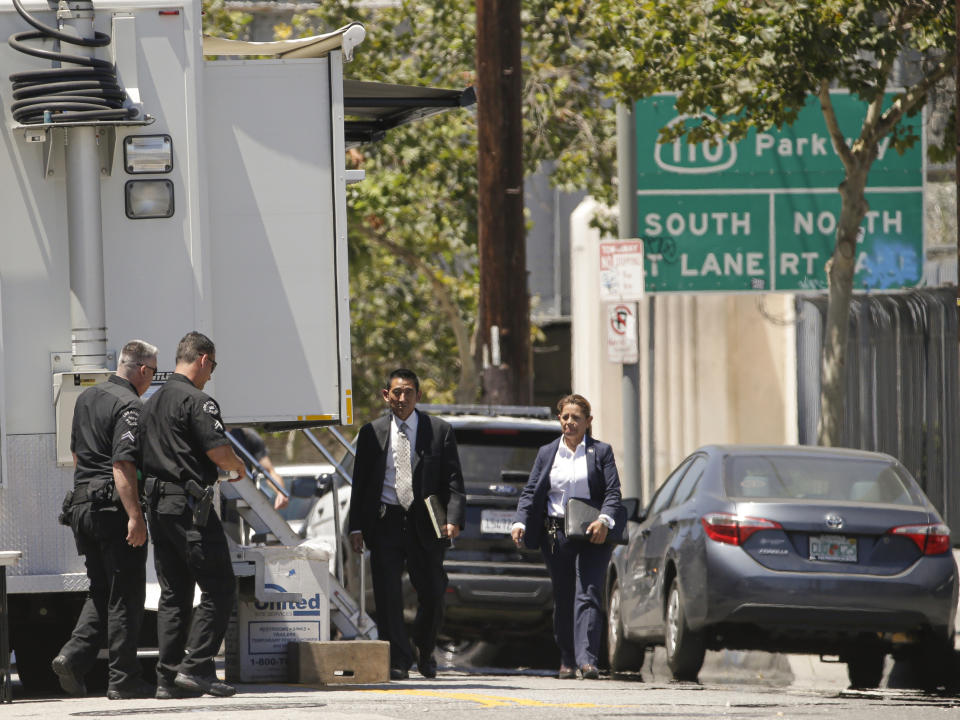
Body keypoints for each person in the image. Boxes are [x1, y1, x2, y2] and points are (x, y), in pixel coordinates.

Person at [139, 331, 247, 699]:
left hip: (158, 508)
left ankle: (167, 679)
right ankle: (196, 666)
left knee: (174, 595)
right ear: (202, 359)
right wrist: (238, 466)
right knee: (219, 587)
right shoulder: (199, 402)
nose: (211, 374)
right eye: (212, 366)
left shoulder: (150, 403)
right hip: (189, 509)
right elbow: (219, 453)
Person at [51, 339, 159, 700]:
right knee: (126, 594)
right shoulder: (130, 405)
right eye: (154, 372)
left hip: (82, 506)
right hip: (112, 509)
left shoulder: (86, 399)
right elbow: (123, 463)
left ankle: (73, 657)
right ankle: (124, 678)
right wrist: (135, 516)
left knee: (101, 590)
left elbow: (76, 453)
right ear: (142, 370)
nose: (152, 379)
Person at [348, 368, 465, 679]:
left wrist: (453, 520)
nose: (402, 399)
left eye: (408, 392)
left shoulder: (439, 431)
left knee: (433, 592)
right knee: (387, 595)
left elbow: (453, 482)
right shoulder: (371, 433)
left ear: (418, 396)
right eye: (396, 393)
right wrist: (356, 527)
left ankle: (425, 649)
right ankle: (398, 659)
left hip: (426, 522)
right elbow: (360, 484)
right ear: (387, 396)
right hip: (386, 522)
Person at [511, 394, 624, 680]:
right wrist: (520, 522)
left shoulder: (601, 452)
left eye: (576, 418)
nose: (570, 423)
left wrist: (604, 520)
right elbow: (531, 491)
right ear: (559, 419)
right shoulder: (548, 452)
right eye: (565, 417)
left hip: (592, 532)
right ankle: (567, 659)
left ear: (588, 421)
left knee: (588, 592)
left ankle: (587, 661)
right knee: (564, 597)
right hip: (557, 533)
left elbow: (613, 492)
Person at [228, 427, 288, 510]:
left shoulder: (246, 434)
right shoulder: (209, 431)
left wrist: (281, 492)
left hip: (244, 499)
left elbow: (269, 471)